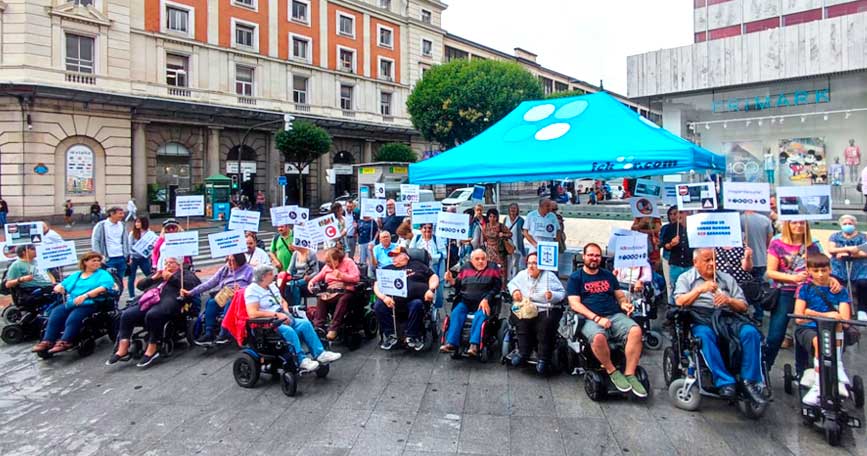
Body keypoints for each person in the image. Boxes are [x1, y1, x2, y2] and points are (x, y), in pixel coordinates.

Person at [673, 248, 767, 404]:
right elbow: (679, 302)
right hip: (701, 316)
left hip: (728, 316)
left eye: (714, 260)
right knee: (703, 336)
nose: (712, 263)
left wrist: (729, 300)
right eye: (707, 260)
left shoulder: (727, 279)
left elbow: (743, 305)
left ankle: (749, 380)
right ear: (695, 262)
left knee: (750, 332)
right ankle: (724, 381)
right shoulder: (686, 278)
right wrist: (699, 290)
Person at [566, 243, 647, 398]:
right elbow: (574, 304)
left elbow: (620, 296)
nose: (594, 258)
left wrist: (624, 303)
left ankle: (629, 374)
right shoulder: (576, 278)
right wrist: (597, 318)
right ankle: (612, 371)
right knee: (598, 337)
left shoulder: (608, 275)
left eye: (597, 255)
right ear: (584, 257)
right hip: (590, 318)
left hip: (614, 315)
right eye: (590, 255)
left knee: (636, 331)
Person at [766, 220, 840, 369]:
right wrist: (792, 278)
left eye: (802, 223)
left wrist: (831, 278)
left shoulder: (813, 246)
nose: (798, 226)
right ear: (788, 224)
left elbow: (822, 266)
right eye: (794, 223)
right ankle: (765, 368)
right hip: (785, 293)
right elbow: (770, 271)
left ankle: (803, 370)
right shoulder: (777, 244)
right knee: (776, 335)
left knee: (804, 332)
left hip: (808, 293)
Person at [108, 256, 201, 368]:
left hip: (170, 299)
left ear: (179, 264)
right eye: (166, 263)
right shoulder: (159, 274)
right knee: (127, 314)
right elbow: (140, 286)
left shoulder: (185, 274)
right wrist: (152, 279)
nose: (168, 265)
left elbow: (194, 287)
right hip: (149, 300)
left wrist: (172, 278)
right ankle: (123, 347)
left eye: (171, 263)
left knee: (153, 314)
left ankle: (153, 345)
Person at [245, 265, 341, 371]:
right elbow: (253, 313)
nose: (274, 275)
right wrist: (277, 315)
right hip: (267, 324)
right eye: (271, 274)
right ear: (263, 276)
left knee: (305, 324)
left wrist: (285, 312)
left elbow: (282, 301)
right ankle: (301, 360)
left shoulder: (271, 286)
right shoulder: (252, 291)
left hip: (282, 315)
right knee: (288, 331)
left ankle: (320, 353)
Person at [31, 252, 117, 354]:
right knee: (56, 313)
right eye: (94, 260)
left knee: (74, 317)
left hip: (91, 302)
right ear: (85, 262)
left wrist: (85, 295)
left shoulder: (103, 274)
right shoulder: (77, 275)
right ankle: (47, 341)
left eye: (98, 261)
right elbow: (61, 285)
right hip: (73, 302)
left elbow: (104, 287)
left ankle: (65, 341)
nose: (97, 263)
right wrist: (59, 288)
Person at [795, 254, 852, 405]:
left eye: (824, 270)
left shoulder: (840, 291)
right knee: (820, 343)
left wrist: (811, 313)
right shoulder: (805, 289)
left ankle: (837, 367)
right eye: (816, 270)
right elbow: (799, 317)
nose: (820, 274)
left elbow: (844, 320)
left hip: (834, 330)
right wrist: (827, 315)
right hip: (809, 329)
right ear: (809, 271)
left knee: (836, 326)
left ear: (830, 270)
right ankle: (819, 387)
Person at [507, 252, 566, 375]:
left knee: (544, 326)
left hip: (545, 308)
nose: (531, 266)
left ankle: (543, 358)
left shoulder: (549, 277)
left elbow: (561, 293)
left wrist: (552, 296)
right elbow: (511, 284)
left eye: (535, 263)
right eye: (529, 263)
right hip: (525, 307)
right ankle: (523, 352)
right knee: (520, 320)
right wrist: (515, 291)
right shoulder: (522, 274)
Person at [374, 246, 438, 351]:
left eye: (396, 255)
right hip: (393, 302)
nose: (393, 258)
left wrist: (431, 290)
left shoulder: (418, 265)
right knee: (378, 305)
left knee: (416, 304)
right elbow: (376, 285)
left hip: (414, 301)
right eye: (392, 256)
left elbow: (433, 277)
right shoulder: (388, 269)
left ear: (406, 256)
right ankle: (391, 335)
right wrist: (384, 297)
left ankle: (412, 337)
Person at [439, 249, 501, 356]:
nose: (481, 261)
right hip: (465, 300)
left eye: (483, 259)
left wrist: (487, 299)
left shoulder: (493, 268)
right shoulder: (465, 268)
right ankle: (451, 343)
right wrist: (451, 280)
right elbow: (458, 284)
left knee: (480, 315)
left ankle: (474, 345)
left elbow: (497, 287)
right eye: (477, 259)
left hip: (483, 301)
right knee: (456, 312)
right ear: (471, 260)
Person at [183, 253, 254, 345]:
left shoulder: (249, 270)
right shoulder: (225, 269)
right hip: (225, 294)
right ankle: (209, 333)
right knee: (211, 302)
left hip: (241, 297)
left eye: (232, 261)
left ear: (239, 261)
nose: (230, 263)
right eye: (228, 260)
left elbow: (254, 287)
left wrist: (242, 290)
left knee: (230, 304)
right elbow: (210, 283)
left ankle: (224, 333)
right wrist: (191, 292)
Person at [308, 247, 360, 341]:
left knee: (343, 299)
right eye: (326, 262)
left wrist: (342, 276)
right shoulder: (327, 266)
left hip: (346, 290)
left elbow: (356, 278)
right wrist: (311, 282)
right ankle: (318, 326)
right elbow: (318, 276)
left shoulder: (348, 262)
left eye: (329, 261)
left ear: (337, 259)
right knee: (321, 298)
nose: (328, 264)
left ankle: (334, 328)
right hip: (331, 291)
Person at [827, 214, 867, 318]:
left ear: (855, 224)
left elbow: (865, 252)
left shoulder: (862, 237)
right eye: (845, 224)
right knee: (834, 283)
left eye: (850, 223)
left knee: (863, 283)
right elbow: (831, 250)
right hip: (838, 268)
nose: (847, 225)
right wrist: (850, 249)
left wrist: (849, 254)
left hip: (859, 268)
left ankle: (862, 311)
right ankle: (835, 307)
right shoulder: (835, 236)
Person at [410, 223, 446, 309]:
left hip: (435, 268)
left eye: (429, 228)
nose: (427, 230)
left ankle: (437, 309)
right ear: (420, 229)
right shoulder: (417, 238)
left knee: (438, 289)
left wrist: (432, 256)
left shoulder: (436, 239)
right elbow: (411, 251)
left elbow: (444, 254)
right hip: (421, 268)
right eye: (424, 228)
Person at [91, 207, 130, 279]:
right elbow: (95, 241)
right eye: (120, 213)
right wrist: (99, 256)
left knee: (120, 281)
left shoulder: (122, 225)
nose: (122, 215)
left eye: (122, 213)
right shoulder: (101, 225)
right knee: (108, 280)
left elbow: (126, 241)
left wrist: (127, 255)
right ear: (112, 214)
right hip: (108, 258)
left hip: (121, 257)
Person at [661, 209, 692, 300]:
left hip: (690, 265)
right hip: (675, 265)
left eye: (681, 213)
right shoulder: (671, 228)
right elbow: (664, 245)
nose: (678, 216)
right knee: (674, 290)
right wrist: (671, 244)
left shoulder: (694, 227)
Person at [477, 208, 511, 286]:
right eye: (490, 216)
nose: (492, 218)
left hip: (499, 250)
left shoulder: (500, 226)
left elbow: (510, 234)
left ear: (497, 217)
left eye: (494, 217)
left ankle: (502, 288)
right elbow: (484, 238)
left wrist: (503, 235)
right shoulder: (485, 226)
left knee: (501, 270)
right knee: (490, 269)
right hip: (489, 251)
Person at [284, 242, 319, 306]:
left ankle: (297, 305)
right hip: (297, 277)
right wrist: (286, 276)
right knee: (287, 285)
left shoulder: (311, 254)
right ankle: (290, 305)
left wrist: (309, 277)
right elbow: (290, 269)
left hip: (309, 279)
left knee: (296, 285)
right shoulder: (295, 254)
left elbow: (316, 271)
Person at [127, 216, 153, 300]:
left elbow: (153, 245)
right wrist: (131, 256)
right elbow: (129, 246)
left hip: (144, 258)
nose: (137, 224)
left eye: (139, 222)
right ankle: (131, 296)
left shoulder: (149, 233)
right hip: (134, 258)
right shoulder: (132, 233)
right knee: (131, 277)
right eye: (136, 222)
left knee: (149, 275)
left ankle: (151, 291)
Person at [504, 203, 526, 281]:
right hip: (507, 244)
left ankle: (514, 278)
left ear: (517, 210)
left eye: (515, 208)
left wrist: (520, 238)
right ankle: (508, 278)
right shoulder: (506, 219)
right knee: (508, 261)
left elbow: (524, 232)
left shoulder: (521, 220)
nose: (513, 210)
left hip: (517, 244)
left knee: (515, 263)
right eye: (511, 208)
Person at [659, 206, 678, 287]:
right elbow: (662, 243)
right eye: (670, 214)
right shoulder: (665, 228)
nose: (673, 216)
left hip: (681, 261)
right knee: (670, 284)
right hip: (668, 258)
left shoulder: (684, 227)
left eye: (675, 214)